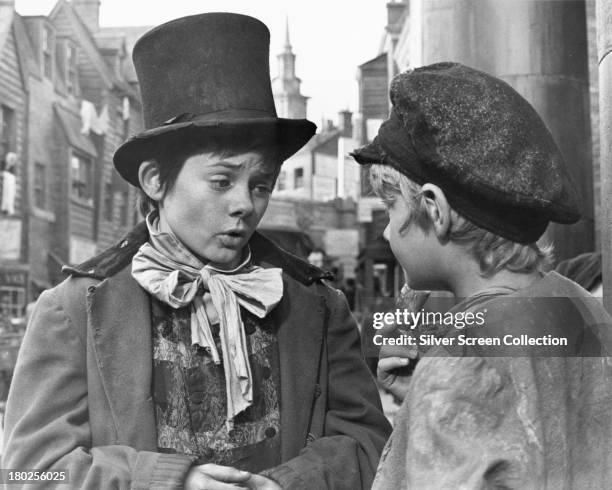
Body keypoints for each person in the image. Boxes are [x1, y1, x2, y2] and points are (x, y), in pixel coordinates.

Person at [3, 14, 390, 489]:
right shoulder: (74, 310)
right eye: (221, 181)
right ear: (155, 181)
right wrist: (170, 482)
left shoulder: (316, 305)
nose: (245, 204)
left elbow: (372, 445)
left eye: (261, 184)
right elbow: (24, 471)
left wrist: (291, 482)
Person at [351, 62, 612, 489]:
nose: (384, 229)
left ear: (434, 210)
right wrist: (422, 397)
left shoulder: (459, 366)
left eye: (390, 207)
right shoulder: (584, 307)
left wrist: (438, 393)